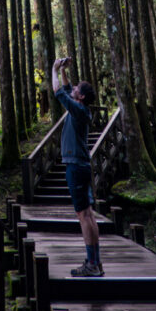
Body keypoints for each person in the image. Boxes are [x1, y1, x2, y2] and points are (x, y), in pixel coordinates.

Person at [51, 56, 103, 277]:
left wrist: (53, 69)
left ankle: (92, 264)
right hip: (81, 165)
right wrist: (64, 69)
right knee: (89, 214)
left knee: (83, 216)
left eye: (76, 89)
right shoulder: (81, 109)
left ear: (80, 97)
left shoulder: (78, 111)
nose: (72, 88)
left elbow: (59, 93)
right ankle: (95, 262)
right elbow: (66, 88)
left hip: (76, 166)